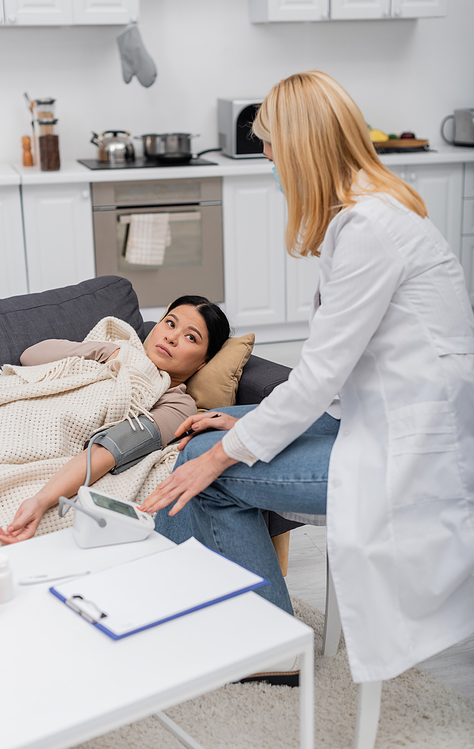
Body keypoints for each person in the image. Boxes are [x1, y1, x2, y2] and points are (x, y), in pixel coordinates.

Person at [141, 71, 474, 684]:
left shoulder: (370, 229)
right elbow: (349, 384)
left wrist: (222, 455)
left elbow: (320, 377)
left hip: (411, 454)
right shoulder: (371, 214)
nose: (265, 156)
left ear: (300, 146)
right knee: (208, 442)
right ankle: (223, 616)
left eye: (270, 143)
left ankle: (270, 650)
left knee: (211, 476)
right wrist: (239, 419)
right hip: (387, 423)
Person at [0, 295, 230, 546]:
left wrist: (40, 501)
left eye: (190, 337)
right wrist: (111, 353)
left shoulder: (179, 405)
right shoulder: (117, 350)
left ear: (204, 361)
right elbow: (31, 356)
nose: (172, 337)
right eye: (170, 323)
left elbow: (111, 448)